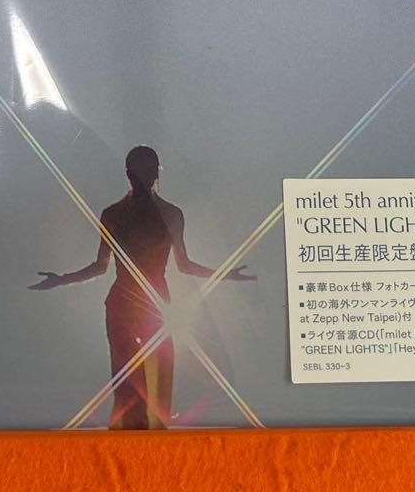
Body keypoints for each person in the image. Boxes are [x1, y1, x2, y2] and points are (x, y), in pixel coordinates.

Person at [29, 145, 255, 429]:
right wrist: (61, 279)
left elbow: (103, 266)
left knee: (139, 379)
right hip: (144, 305)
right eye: (143, 172)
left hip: (139, 306)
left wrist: (61, 279)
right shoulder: (156, 214)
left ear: (132, 174)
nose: (143, 177)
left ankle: (141, 439)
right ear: (153, 173)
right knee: (139, 380)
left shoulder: (122, 213)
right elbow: (180, 265)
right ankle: (139, 439)